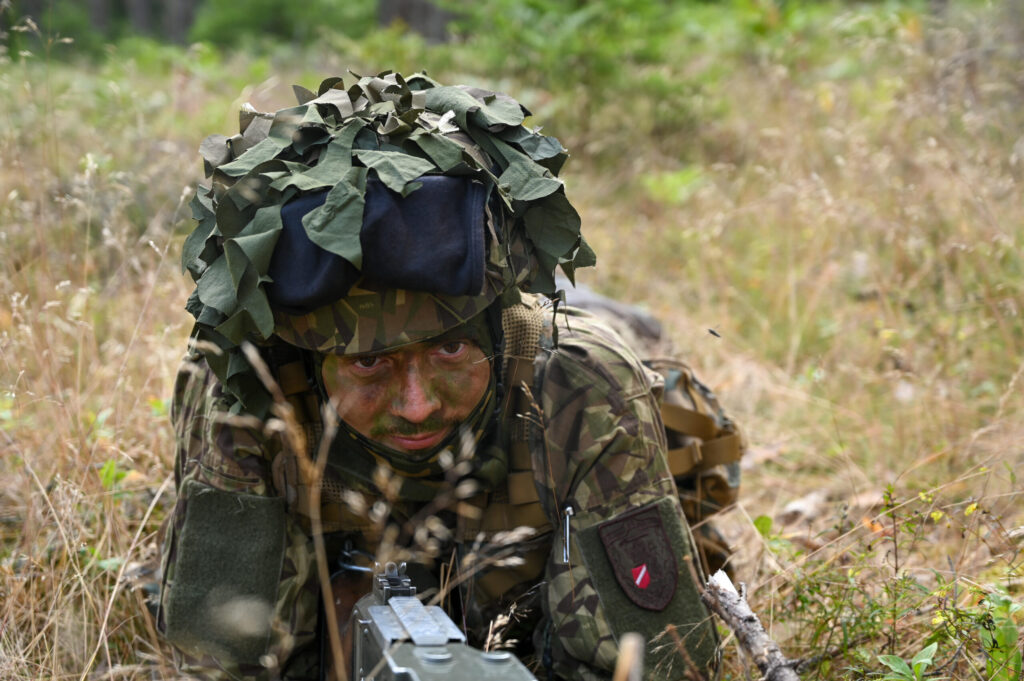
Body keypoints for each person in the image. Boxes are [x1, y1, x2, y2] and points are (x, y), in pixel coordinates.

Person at [158, 71, 742, 681]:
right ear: (304, 359)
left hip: (568, 439)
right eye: (368, 363)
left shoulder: (579, 384)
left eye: (450, 351)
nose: (417, 406)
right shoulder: (246, 390)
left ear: (498, 331)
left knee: (632, 342)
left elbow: (660, 665)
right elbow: (221, 662)